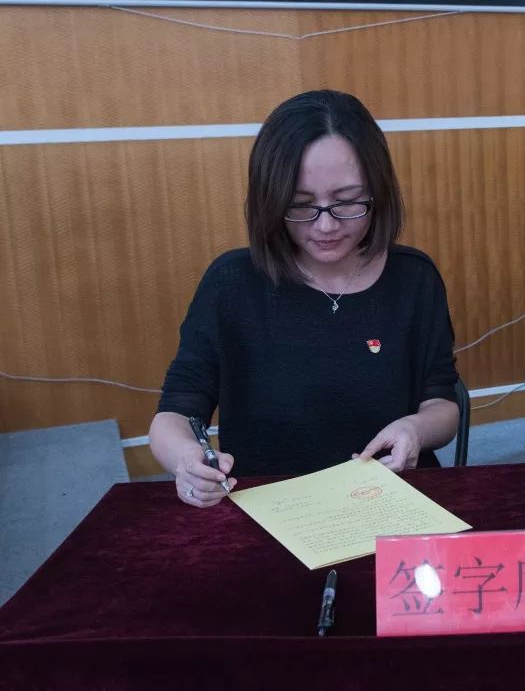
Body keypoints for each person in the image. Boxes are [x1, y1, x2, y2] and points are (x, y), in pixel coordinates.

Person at [150, 90, 460, 507]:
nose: (326, 226)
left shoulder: (414, 278)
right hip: (272, 507)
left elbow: (442, 403)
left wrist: (415, 429)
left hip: (390, 500)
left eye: (347, 202)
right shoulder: (231, 284)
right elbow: (174, 414)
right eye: (300, 205)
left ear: (378, 193)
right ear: (270, 200)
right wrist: (187, 459)